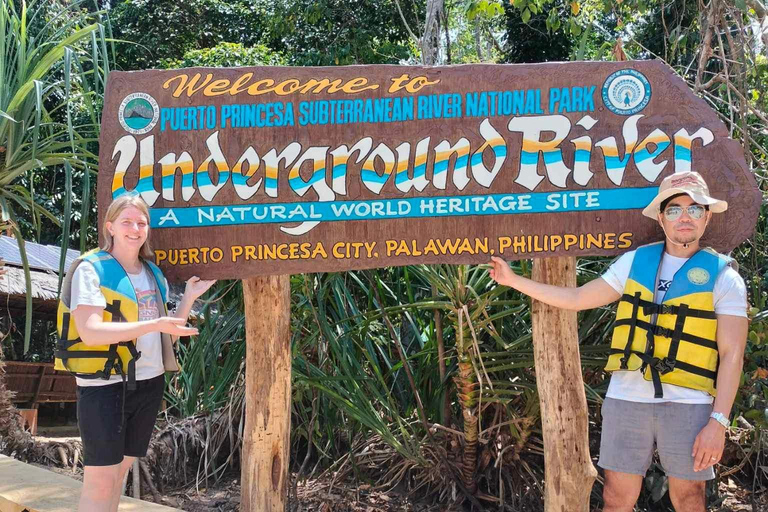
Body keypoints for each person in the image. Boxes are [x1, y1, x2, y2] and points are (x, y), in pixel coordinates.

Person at [488, 171, 748, 512]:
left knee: (689, 498)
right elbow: (578, 297)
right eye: (674, 209)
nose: (685, 217)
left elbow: (732, 354)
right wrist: (514, 280)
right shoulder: (634, 262)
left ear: (707, 216)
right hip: (627, 398)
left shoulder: (725, 277)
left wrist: (719, 422)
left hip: (690, 402)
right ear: (661, 216)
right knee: (616, 497)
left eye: (695, 209)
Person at [55, 194, 215, 512]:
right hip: (104, 386)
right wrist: (151, 323)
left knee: (119, 476)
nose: (135, 228)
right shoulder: (91, 269)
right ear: (110, 226)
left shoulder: (153, 273)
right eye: (127, 221)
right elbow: (90, 331)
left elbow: (165, 329)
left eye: (141, 222)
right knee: (100, 481)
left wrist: (189, 297)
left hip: (148, 384)